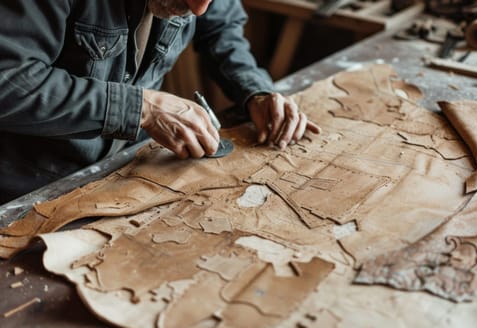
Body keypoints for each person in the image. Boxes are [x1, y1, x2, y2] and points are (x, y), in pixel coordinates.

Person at [0, 0, 321, 204]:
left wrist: (254, 92)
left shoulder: (199, 3)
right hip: (28, 184)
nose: (199, 10)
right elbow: (8, 81)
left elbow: (222, 28)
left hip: (127, 165)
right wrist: (141, 108)